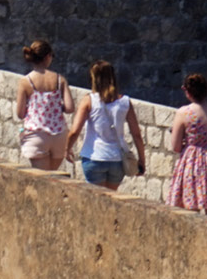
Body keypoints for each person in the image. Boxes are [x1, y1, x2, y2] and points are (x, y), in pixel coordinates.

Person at [67, 60, 145, 191]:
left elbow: (75, 131)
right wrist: (141, 160)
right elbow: (136, 134)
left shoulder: (89, 100)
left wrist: (67, 149)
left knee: (96, 201)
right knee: (111, 199)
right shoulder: (125, 102)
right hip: (117, 159)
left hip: (94, 157)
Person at [166, 73, 207, 216]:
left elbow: (176, 146)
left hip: (191, 163)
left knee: (190, 209)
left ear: (187, 90)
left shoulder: (184, 113)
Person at [13, 40, 71, 170]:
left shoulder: (25, 81)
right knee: (53, 176)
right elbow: (70, 107)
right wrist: (55, 107)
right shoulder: (59, 79)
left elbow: (20, 113)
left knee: (42, 179)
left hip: (36, 134)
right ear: (47, 57)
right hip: (58, 134)